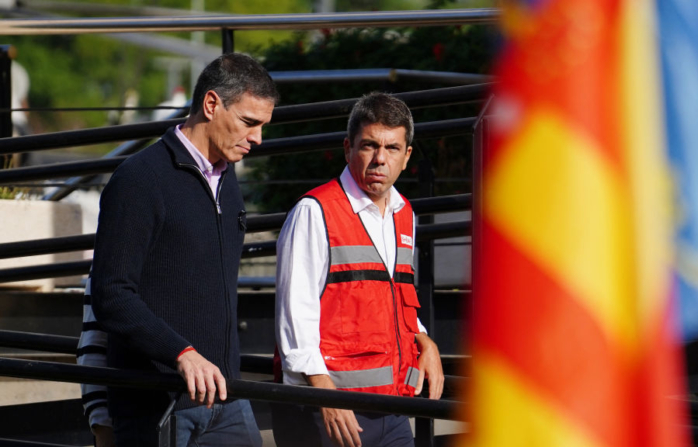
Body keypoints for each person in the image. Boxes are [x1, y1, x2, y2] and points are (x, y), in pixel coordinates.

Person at [86, 52, 279, 447]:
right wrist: (181, 353)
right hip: (157, 403)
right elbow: (111, 294)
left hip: (226, 397)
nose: (258, 138)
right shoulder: (139, 180)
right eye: (249, 122)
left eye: (262, 126)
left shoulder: (227, 178)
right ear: (211, 104)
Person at [273, 92, 444, 447]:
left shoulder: (404, 213)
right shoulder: (314, 211)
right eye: (369, 145)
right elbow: (294, 315)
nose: (380, 159)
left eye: (392, 148)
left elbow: (394, 294)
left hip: (392, 406)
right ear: (348, 147)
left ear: (407, 156)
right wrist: (326, 396)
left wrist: (424, 339)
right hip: (329, 412)